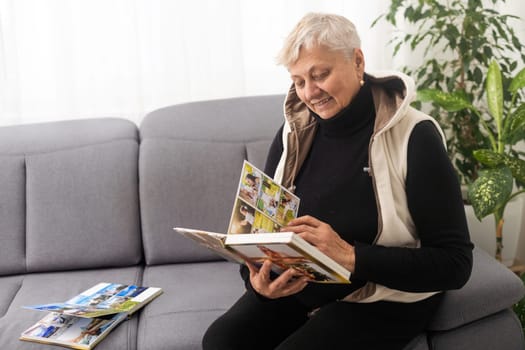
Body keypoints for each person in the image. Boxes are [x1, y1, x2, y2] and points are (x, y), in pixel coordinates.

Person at [203, 12, 473, 350]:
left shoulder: (416, 136)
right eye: (299, 81)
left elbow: (455, 263)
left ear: (357, 61)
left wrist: (349, 255)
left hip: (386, 295)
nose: (310, 93)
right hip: (305, 285)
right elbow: (264, 232)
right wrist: (257, 283)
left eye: (320, 75)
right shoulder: (292, 133)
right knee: (221, 341)